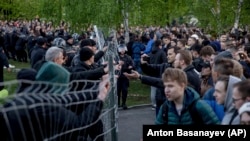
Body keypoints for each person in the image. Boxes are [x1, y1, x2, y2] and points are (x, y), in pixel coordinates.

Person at [0, 74, 111, 141]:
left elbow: (68, 99)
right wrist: (99, 98)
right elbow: (78, 124)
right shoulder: (44, 106)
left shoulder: (9, 107)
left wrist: (96, 91)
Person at [155, 68, 220, 124]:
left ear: (182, 85)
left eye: (170, 86)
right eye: (165, 86)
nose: (166, 90)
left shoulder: (199, 106)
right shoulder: (165, 108)